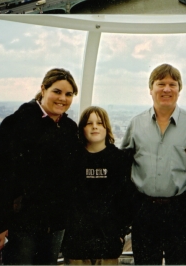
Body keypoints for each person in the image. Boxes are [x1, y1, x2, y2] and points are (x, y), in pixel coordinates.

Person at [0, 68, 79, 265]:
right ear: (43, 89)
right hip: (22, 223)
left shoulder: (70, 129)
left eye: (69, 94)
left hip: (55, 223)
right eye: (57, 91)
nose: (63, 98)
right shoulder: (16, 124)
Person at [121, 63, 186, 265]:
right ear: (150, 89)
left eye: (172, 84)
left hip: (180, 209)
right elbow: (124, 164)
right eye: (161, 84)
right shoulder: (136, 124)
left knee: (180, 261)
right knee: (145, 261)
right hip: (144, 209)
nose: (167, 89)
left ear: (180, 89)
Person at [62, 106, 133, 265]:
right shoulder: (72, 160)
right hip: (77, 244)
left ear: (106, 127)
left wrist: (121, 232)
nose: (94, 126)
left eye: (100, 123)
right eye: (89, 123)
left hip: (108, 243)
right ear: (82, 129)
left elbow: (126, 200)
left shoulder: (119, 160)